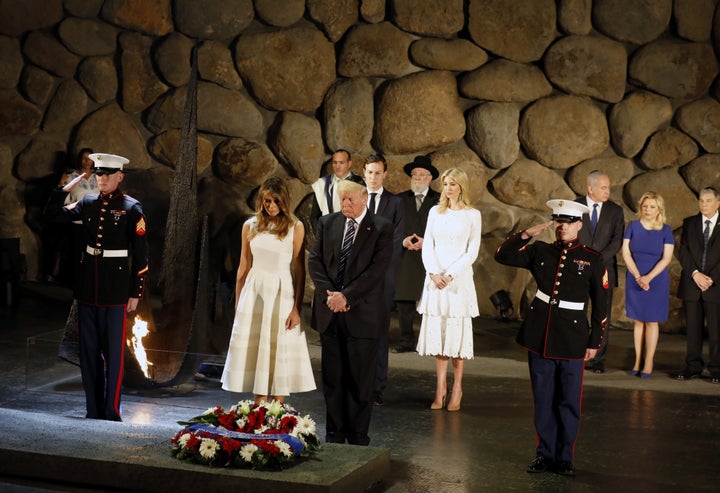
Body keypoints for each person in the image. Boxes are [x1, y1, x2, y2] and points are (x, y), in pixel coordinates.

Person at [494, 199, 608, 476]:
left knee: (568, 401)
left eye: (568, 222)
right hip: (540, 336)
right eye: (558, 221)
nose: (562, 227)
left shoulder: (592, 258)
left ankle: (564, 458)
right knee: (543, 400)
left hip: (573, 339)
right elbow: (503, 255)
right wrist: (524, 235)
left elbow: (601, 304)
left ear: (579, 225)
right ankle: (544, 455)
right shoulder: (540, 251)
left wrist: (595, 342)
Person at [44, 153, 149, 421]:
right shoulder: (87, 202)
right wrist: (61, 190)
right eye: (99, 174)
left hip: (115, 290)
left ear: (119, 176)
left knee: (113, 355)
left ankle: (111, 410)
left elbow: (141, 256)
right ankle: (93, 409)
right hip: (88, 288)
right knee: (88, 354)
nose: (101, 178)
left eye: (107, 174)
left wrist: (135, 293)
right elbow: (52, 216)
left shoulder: (131, 208)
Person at [308, 179, 393, 445]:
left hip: (362, 316)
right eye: (342, 199)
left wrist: (347, 296)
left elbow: (376, 271)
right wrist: (330, 296)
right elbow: (315, 261)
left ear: (364, 198)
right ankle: (334, 434)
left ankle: (357, 437)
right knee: (333, 380)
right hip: (331, 313)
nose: (345, 204)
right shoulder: (328, 223)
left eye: (350, 200)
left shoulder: (381, 228)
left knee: (359, 382)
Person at [221, 177, 316, 404]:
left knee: (277, 347)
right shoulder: (250, 225)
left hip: (280, 293)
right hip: (254, 293)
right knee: (256, 352)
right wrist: (238, 304)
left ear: (284, 201)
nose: (270, 206)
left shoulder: (295, 227)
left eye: (275, 201)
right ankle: (258, 408)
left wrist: (296, 309)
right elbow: (243, 266)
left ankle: (277, 411)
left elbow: (299, 271)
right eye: (266, 201)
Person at [416, 168, 481, 413]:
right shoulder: (435, 211)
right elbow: (427, 245)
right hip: (435, 281)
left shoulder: (473, 215)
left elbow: (471, 251)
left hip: (458, 282)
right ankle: (440, 388)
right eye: (445, 184)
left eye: (453, 184)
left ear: (462, 186)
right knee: (440, 337)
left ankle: (457, 389)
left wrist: (450, 275)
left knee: (456, 337)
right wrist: (434, 273)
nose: (449, 188)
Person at [363, 153, 404, 407]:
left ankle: (377, 387)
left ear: (385, 174)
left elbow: (396, 240)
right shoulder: (355, 198)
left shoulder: (395, 203)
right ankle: (356, 383)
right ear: (364, 173)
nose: (374, 177)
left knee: (379, 333)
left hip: (382, 278)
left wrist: (376, 269)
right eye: (370, 172)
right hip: (355, 279)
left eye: (378, 173)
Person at [576, 170, 624, 373]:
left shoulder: (615, 211)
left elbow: (616, 241)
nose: (608, 191)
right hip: (578, 269)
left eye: (608, 187)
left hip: (604, 270)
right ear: (590, 188)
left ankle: (598, 360)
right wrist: (583, 260)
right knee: (576, 312)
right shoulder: (575, 206)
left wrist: (596, 260)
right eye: (603, 187)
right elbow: (568, 234)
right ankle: (576, 354)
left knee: (601, 315)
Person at [622, 192, 675, 378]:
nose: (648, 210)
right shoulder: (633, 226)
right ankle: (637, 360)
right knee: (638, 321)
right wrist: (638, 276)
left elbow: (666, 258)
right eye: (645, 206)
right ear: (640, 207)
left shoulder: (666, 230)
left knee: (652, 322)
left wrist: (648, 278)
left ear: (659, 209)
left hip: (656, 280)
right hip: (635, 278)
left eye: (652, 207)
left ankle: (648, 361)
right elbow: (626, 253)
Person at [393, 156, 440, 353]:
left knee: (434, 304)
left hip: (433, 258)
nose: (418, 178)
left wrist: (427, 243)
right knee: (404, 304)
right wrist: (404, 240)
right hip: (407, 257)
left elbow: (446, 230)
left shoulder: (439, 200)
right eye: (415, 175)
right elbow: (392, 227)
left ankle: (432, 342)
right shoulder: (399, 200)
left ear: (430, 178)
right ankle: (406, 341)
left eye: (422, 175)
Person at [56, 148, 99, 366]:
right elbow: (61, 196)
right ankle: (77, 292)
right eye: (84, 158)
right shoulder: (73, 177)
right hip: (77, 224)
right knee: (77, 257)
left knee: (92, 258)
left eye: (90, 159)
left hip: (94, 225)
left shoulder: (99, 178)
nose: (87, 162)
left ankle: (90, 287)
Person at [676, 187, 720, 383]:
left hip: (715, 285)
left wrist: (710, 278)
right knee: (692, 331)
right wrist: (695, 275)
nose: (704, 204)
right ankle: (693, 367)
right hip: (692, 284)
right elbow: (683, 252)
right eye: (701, 200)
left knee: (716, 331)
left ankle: (717, 369)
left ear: (718, 203)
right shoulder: (689, 223)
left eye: (708, 201)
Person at [310, 149, 364, 229]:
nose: (337, 166)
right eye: (335, 162)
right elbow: (315, 217)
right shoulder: (322, 185)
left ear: (349, 164)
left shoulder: (360, 184)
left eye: (341, 162)